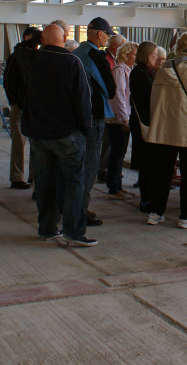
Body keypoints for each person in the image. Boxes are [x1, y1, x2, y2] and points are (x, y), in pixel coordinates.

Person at [7, 24, 95, 246]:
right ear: (65, 38)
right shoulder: (72, 62)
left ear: (42, 39)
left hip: (38, 133)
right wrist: (85, 128)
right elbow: (83, 100)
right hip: (67, 133)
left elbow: (18, 48)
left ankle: (47, 228)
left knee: (45, 183)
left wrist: (37, 38)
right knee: (74, 183)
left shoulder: (31, 59)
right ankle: (74, 232)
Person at [145, 32, 187, 228]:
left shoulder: (163, 68)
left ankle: (155, 213)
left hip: (164, 128)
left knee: (162, 173)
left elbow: (154, 99)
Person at [71, 17, 117, 226]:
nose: (107, 39)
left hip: (74, 118)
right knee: (89, 165)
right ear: (100, 34)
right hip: (93, 117)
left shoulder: (74, 54)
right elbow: (110, 90)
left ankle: (70, 206)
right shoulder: (96, 56)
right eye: (107, 34)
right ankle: (81, 211)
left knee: (74, 164)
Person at [3, 26, 41, 190]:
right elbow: (9, 81)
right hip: (21, 106)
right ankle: (19, 177)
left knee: (33, 143)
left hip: (30, 106)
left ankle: (30, 176)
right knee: (20, 142)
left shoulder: (32, 56)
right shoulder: (18, 57)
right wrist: (15, 101)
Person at [106, 41, 138, 197]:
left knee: (120, 153)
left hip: (122, 117)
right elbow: (119, 96)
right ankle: (114, 186)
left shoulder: (126, 70)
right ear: (126, 54)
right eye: (134, 54)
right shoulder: (119, 71)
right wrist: (125, 118)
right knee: (117, 153)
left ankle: (117, 184)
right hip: (118, 120)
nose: (136, 57)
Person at [129, 41, 157, 212]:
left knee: (148, 162)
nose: (157, 57)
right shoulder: (141, 73)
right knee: (147, 162)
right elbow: (150, 97)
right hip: (143, 123)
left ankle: (147, 197)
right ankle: (146, 199)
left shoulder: (144, 72)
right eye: (154, 53)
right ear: (147, 54)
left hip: (144, 121)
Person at [98, 34, 129, 180]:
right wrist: (124, 116)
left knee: (112, 145)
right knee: (110, 144)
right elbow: (119, 93)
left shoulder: (113, 61)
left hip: (111, 108)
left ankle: (108, 171)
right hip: (111, 109)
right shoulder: (112, 64)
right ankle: (105, 171)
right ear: (116, 46)